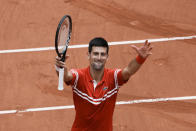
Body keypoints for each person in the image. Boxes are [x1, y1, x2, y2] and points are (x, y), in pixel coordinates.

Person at [55, 37, 152, 131]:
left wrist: (140, 58)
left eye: (102, 54)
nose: (99, 58)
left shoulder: (113, 78)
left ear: (107, 57)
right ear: (88, 55)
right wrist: (60, 67)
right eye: (96, 54)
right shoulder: (79, 76)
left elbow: (128, 71)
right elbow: (67, 76)